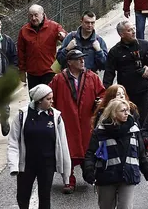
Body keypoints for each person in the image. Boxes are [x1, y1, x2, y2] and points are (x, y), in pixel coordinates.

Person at [49, 49, 106, 193]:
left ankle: (89, 173)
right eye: (78, 59)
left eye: (82, 58)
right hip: (67, 121)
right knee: (67, 150)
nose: (82, 61)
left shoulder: (92, 77)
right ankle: (69, 181)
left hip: (86, 121)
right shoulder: (58, 79)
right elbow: (50, 97)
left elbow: (102, 93)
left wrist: (99, 102)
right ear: (69, 62)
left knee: (88, 148)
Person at [82, 98, 148, 209]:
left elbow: (141, 155)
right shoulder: (100, 131)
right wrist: (89, 171)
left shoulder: (134, 130)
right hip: (106, 176)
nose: (127, 113)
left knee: (125, 206)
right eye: (123, 111)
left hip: (128, 175)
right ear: (113, 113)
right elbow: (91, 153)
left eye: (127, 110)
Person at [8, 84, 71, 209]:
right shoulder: (22, 115)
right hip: (27, 164)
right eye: (48, 99)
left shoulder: (56, 116)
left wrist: (66, 173)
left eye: (52, 98)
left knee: (45, 197)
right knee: (22, 196)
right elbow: (13, 141)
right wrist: (13, 165)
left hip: (47, 164)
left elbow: (63, 145)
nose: (52, 101)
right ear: (39, 100)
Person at [104, 20, 148, 125]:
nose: (134, 32)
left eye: (133, 28)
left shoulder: (144, 45)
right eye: (129, 30)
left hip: (143, 92)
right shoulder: (115, 52)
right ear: (121, 34)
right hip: (125, 94)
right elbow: (109, 73)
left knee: (144, 121)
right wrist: (107, 94)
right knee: (127, 121)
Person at [17, 4, 66, 87]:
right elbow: (20, 51)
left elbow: (65, 38)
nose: (33, 18)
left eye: (36, 15)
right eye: (31, 16)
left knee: (49, 94)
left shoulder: (53, 26)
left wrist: (62, 36)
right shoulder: (24, 31)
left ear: (43, 14)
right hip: (32, 72)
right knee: (34, 94)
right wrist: (22, 70)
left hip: (49, 70)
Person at [0, 15, 18, 145]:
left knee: (4, 108)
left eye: (0, 25)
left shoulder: (7, 40)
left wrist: (13, 73)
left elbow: (14, 58)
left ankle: (4, 120)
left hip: (2, 79)